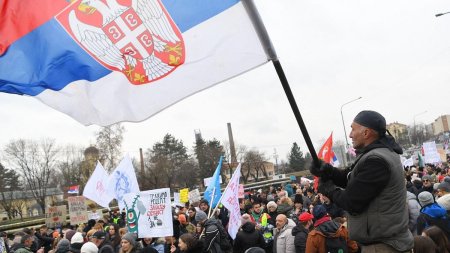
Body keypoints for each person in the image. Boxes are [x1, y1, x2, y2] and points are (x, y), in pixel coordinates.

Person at [310, 110, 414, 252]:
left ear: (366, 133)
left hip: (384, 246)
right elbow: (350, 179)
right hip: (384, 243)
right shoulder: (375, 155)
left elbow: (352, 202)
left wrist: (328, 189)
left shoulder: (376, 160)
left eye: (353, 129)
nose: (350, 134)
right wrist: (328, 171)